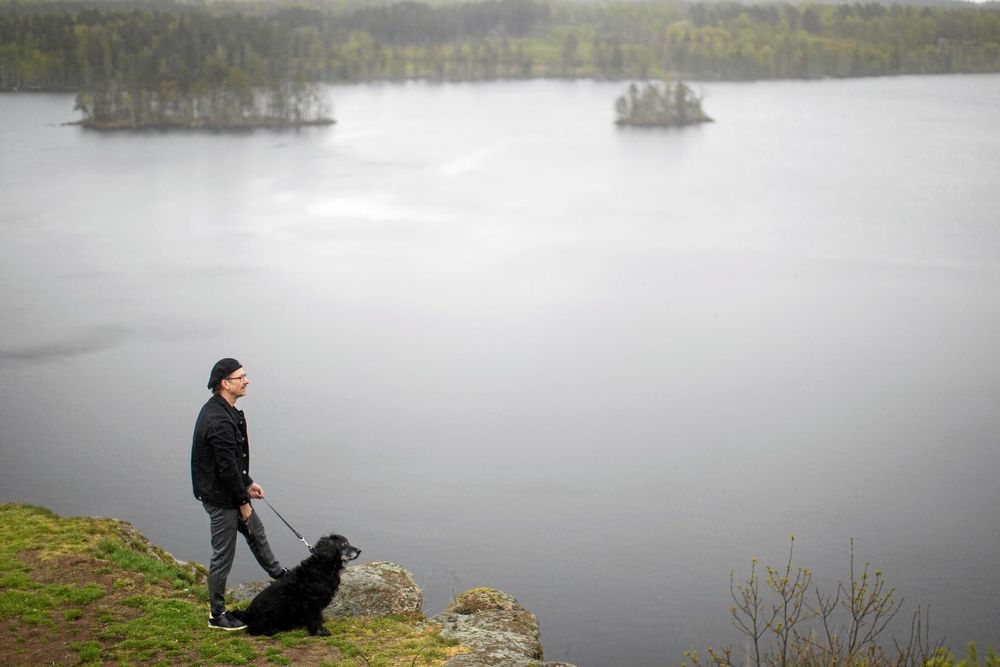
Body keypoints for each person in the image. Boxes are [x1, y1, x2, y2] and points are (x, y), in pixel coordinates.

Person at [191, 358, 286, 630]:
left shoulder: (224, 410)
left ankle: (280, 576)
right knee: (223, 555)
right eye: (240, 377)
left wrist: (248, 482)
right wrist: (243, 502)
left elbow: (231, 461)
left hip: (230, 490)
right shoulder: (219, 419)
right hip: (221, 498)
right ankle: (216, 615)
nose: (246, 380)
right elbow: (225, 467)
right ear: (225, 383)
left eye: (245, 375)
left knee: (256, 530)